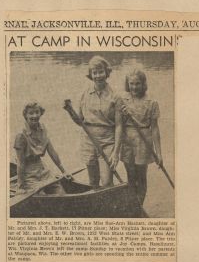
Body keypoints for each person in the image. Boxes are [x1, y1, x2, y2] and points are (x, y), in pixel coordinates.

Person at [112, 68, 163, 205]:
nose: (134, 87)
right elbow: (118, 125)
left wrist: (159, 153)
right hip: (127, 141)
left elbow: (155, 129)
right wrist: (116, 152)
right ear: (127, 84)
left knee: (141, 177)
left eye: (137, 84)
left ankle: (139, 205)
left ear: (143, 84)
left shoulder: (152, 102)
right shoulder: (122, 100)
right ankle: (132, 205)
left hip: (144, 142)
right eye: (131, 84)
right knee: (130, 176)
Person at [78, 55, 120, 188]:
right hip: (88, 142)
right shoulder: (84, 94)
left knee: (107, 182)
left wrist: (116, 152)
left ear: (107, 72)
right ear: (90, 75)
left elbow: (119, 126)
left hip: (107, 142)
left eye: (101, 71)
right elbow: (80, 121)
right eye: (94, 73)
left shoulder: (115, 96)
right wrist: (69, 110)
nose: (98, 76)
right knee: (93, 182)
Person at [14, 102, 69, 197]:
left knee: (61, 193)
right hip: (28, 173)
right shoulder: (20, 135)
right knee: (42, 196)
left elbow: (52, 152)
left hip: (43, 170)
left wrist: (63, 171)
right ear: (25, 115)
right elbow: (20, 162)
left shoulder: (42, 128)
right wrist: (20, 186)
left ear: (41, 113)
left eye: (37, 112)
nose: (34, 116)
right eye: (31, 113)